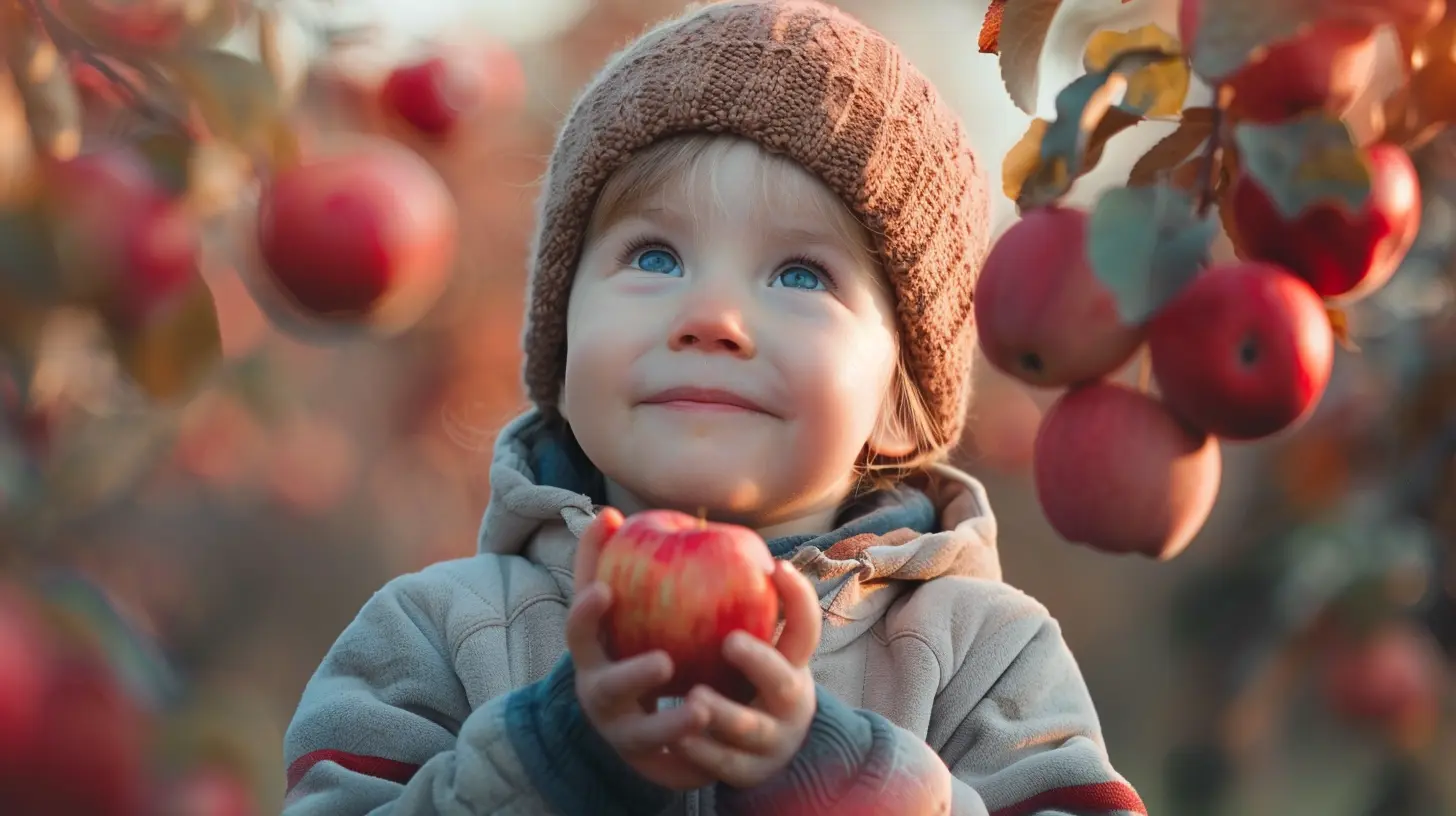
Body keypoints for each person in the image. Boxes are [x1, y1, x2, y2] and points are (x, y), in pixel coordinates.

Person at [282, 1, 1146, 813]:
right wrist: (552, 760)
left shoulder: (982, 654)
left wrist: (848, 781)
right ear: (561, 333)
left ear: (898, 399)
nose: (712, 319)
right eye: (655, 256)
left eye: (801, 275)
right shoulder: (438, 633)